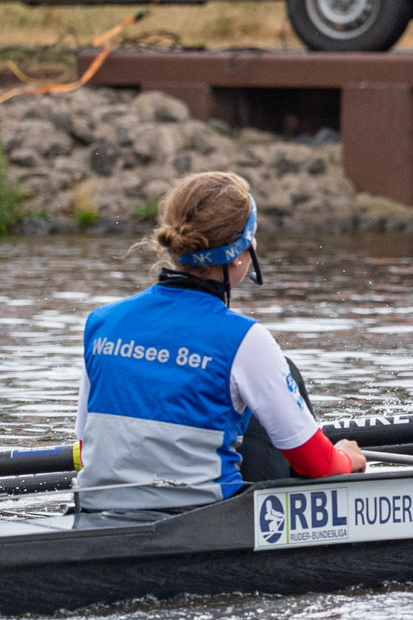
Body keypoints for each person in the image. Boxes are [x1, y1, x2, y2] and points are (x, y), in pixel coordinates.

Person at [74, 172, 366, 513]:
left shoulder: (102, 322)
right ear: (238, 256)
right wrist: (347, 457)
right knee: (285, 374)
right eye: (252, 240)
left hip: (98, 512)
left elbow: (84, 445)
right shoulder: (245, 340)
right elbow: (315, 463)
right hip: (201, 521)